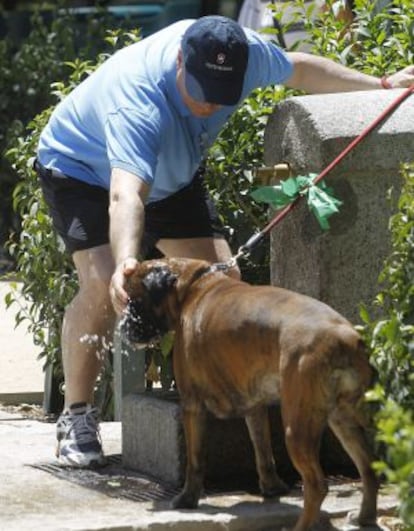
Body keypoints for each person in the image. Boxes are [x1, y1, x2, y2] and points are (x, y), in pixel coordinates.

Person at [34, 14, 414, 468]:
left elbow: (302, 69)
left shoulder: (245, 53)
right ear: (179, 62)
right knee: (100, 281)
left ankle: (220, 394)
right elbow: (126, 194)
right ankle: (77, 417)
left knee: (223, 281)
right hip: (82, 168)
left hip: (172, 177)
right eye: (200, 93)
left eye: (221, 97)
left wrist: (383, 82)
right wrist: (128, 261)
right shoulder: (138, 101)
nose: (210, 107)